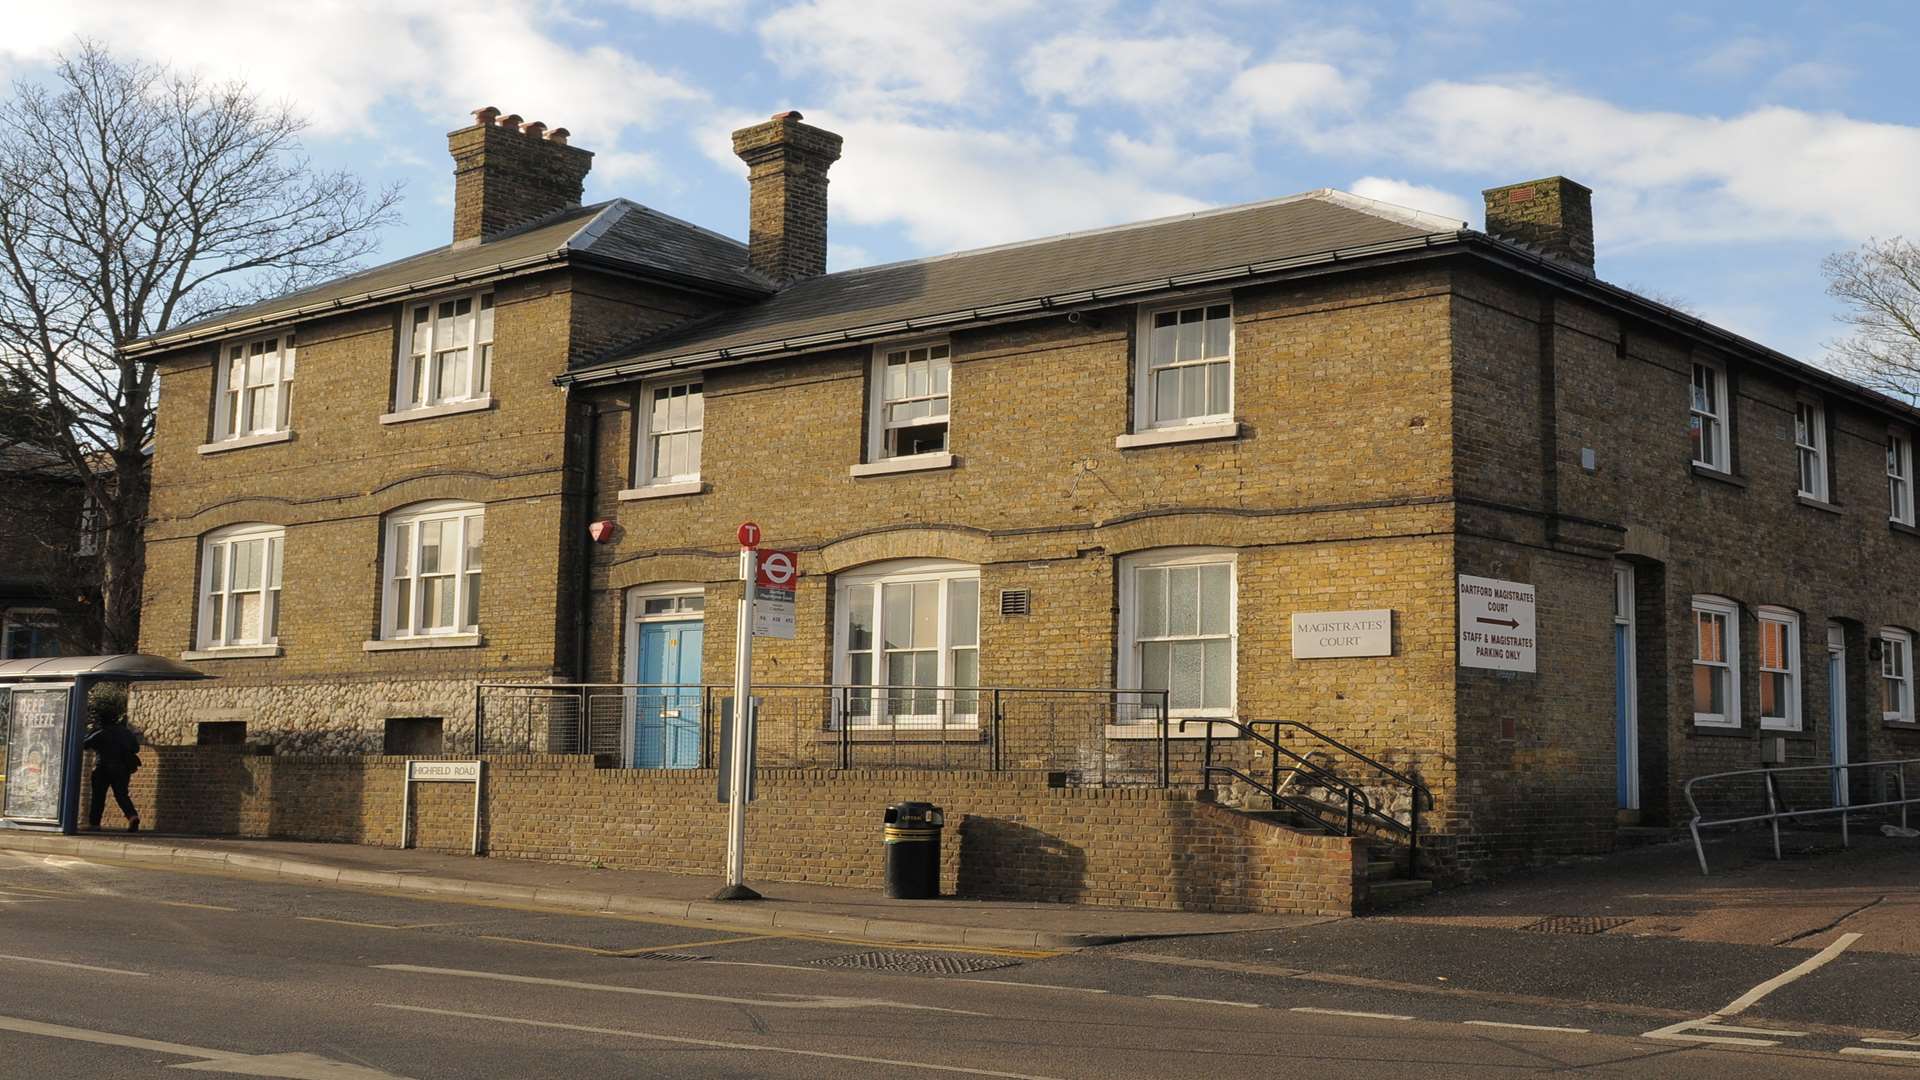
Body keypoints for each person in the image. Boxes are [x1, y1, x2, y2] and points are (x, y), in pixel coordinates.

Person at [82, 714, 141, 832]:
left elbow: (85, 744)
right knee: (122, 795)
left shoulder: (100, 732)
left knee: (98, 797)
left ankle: (94, 824)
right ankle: (132, 816)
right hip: (122, 769)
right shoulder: (127, 733)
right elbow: (136, 748)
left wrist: (92, 731)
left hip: (102, 768)